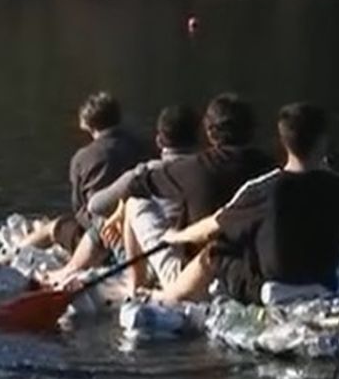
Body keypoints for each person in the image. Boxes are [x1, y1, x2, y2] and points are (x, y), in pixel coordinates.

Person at [48, 94, 274, 287]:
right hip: (251, 265)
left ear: (210, 133)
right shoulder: (271, 168)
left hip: (197, 270)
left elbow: (116, 195)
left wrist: (119, 212)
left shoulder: (191, 169)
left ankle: (132, 285)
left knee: (135, 202)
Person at [156, 102, 339, 306]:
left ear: (283, 141)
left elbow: (211, 228)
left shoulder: (262, 189)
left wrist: (176, 237)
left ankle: (166, 298)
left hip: (271, 291)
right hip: (324, 284)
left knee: (215, 250)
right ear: (322, 141)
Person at [20, 92, 150, 253]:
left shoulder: (83, 157)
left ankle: (13, 252)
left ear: (88, 123)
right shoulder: (142, 145)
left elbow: (79, 206)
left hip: (103, 234)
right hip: (141, 223)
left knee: (54, 227)